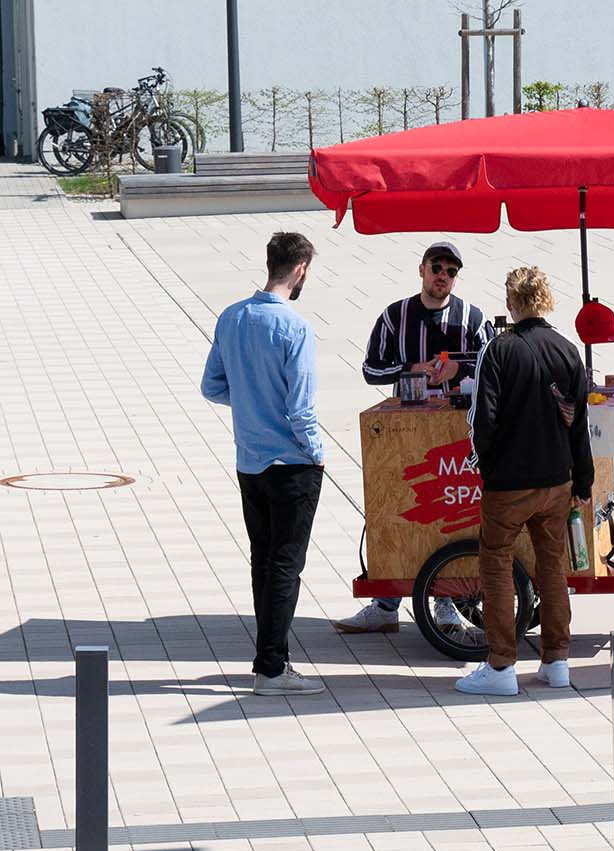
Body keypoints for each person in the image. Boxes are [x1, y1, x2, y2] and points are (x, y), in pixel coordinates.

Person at [337, 239, 496, 635]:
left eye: (451, 272)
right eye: (437, 268)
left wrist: (457, 373)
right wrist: (409, 368)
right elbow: (371, 370)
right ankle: (386, 603)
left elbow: (494, 364)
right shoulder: (395, 316)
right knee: (398, 507)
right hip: (404, 430)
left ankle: (445, 600)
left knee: (447, 510)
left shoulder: (472, 319)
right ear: (421, 269)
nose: (443, 276)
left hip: (458, 429)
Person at [454, 267, 593, 696]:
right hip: (557, 481)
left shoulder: (499, 349)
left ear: (512, 303)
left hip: (509, 482)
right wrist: (582, 482)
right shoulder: (569, 350)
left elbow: (484, 419)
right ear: (546, 300)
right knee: (551, 566)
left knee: (495, 561)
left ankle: (500, 667)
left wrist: (488, 467)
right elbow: (579, 426)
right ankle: (556, 661)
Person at [201, 232, 328, 697]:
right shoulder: (295, 328)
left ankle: (271, 660)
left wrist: (251, 402)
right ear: (300, 270)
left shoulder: (232, 317)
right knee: (285, 566)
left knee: (264, 562)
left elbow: (211, 386)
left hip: (250, 460)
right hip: (292, 462)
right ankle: (272, 668)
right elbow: (301, 408)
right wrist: (316, 451)